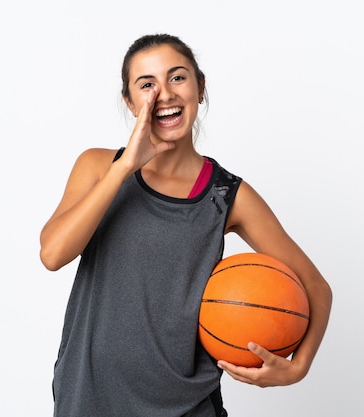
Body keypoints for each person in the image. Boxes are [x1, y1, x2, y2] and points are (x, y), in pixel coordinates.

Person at [39, 33, 332, 417]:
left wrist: (298, 367)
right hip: (90, 397)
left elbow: (315, 286)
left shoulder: (227, 195)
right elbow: (53, 253)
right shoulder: (97, 166)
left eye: (177, 77)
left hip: (186, 406)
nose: (164, 93)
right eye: (147, 85)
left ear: (200, 87)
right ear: (130, 102)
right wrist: (126, 165)